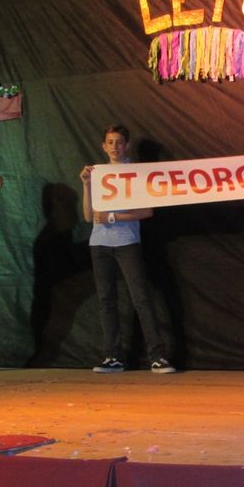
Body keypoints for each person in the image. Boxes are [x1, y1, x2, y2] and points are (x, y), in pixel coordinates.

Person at [80, 125, 175, 374]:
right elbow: (89, 216)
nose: (115, 147)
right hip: (99, 244)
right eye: (110, 142)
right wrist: (86, 185)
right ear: (104, 146)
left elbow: (147, 211)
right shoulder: (97, 173)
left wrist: (113, 217)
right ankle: (113, 357)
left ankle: (157, 356)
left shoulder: (135, 174)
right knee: (106, 301)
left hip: (127, 242)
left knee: (141, 299)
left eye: (119, 142)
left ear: (127, 146)